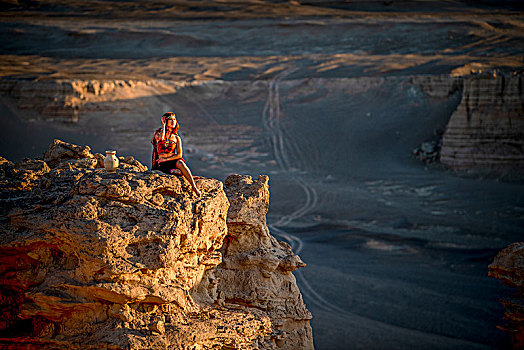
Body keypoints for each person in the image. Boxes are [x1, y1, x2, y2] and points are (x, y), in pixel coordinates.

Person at [151, 112, 201, 197]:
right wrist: (163, 126)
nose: (173, 121)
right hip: (161, 163)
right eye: (170, 119)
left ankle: (194, 187)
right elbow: (162, 140)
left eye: (174, 119)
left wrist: (166, 159)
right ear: (165, 121)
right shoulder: (158, 134)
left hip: (171, 160)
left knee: (181, 163)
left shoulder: (177, 138)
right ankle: (188, 176)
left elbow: (179, 155)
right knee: (177, 172)